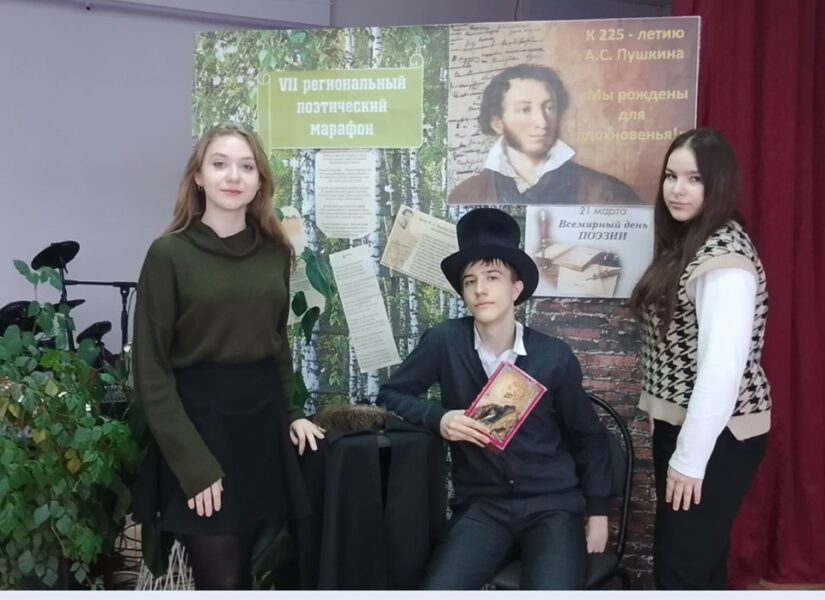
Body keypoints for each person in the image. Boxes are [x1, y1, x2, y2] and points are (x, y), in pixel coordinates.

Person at [131, 123, 324, 590]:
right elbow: (151, 372)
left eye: (246, 166)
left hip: (261, 426)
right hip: (199, 426)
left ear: (260, 181)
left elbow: (276, 343)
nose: (233, 176)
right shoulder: (168, 254)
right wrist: (193, 464)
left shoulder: (275, 253)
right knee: (222, 581)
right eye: (219, 164)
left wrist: (293, 413)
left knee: (252, 577)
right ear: (198, 176)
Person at [377, 208, 611, 590]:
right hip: (483, 507)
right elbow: (391, 393)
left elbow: (589, 436)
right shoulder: (445, 342)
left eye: (492, 277)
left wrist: (598, 512)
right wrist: (439, 419)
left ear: (516, 289)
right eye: (469, 281)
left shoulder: (554, 356)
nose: (479, 289)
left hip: (552, 507)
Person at [628, 128, 771, 590]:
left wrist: (689, 459)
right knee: (699, 565)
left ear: (719, 184)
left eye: (694, 179)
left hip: (719, 434)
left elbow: (721, 370)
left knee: (681, 571)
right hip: (691, 428)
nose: (677, 189)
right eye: (671, 176)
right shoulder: (689, 241)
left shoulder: (724, 258)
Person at [448, 64, 641, 206]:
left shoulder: (606, 193)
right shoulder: (466, 195)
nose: (542, 122)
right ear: (497, 123)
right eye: (525, 110)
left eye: (549, 108)